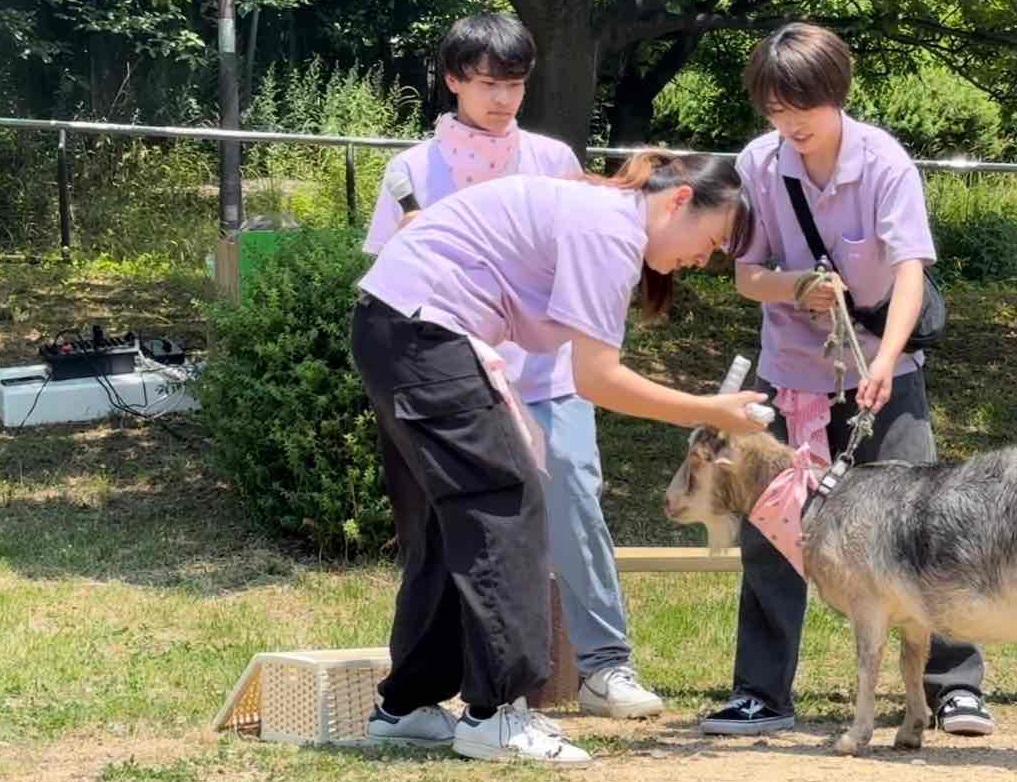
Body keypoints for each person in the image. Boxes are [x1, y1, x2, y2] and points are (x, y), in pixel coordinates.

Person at [352, 149, 766, 763]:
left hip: (399, 326)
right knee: (508, 506)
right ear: (680, 201)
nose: (703, 259)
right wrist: (708, 411)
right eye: (711, 241)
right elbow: (598, 379)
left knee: (453, 520)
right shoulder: (611, 230)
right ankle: (497, 715)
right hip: (423, 331)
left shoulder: (603, 214)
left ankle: (407, 707)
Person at [363, 11, 663, 720]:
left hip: (548, 367)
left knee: (574, 499)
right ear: (452, 82)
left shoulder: (553, 157)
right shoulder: (411, 167)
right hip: (452, 369)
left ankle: (603, 666)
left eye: (515, 85)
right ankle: (464, 689)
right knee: (451, 527)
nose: (502, 100)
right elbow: (389, 275)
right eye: (488, 84)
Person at [700, 22, 994, 738]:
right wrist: (794, 285)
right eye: (774, 108)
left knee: (929, 527)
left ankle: (953, 686)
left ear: (836, 94)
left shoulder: (884, 162)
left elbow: (907, 272)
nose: (789, 123)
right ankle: (761, 694)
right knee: (768, 532)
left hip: (882, 370)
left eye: (802, 105)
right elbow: (746, 276)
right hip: (787, 374)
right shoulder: (758, 163)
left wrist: (889, 360)